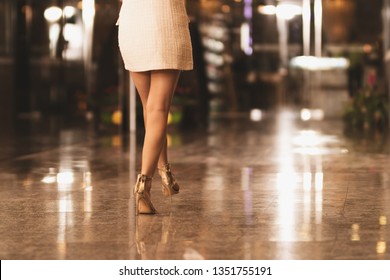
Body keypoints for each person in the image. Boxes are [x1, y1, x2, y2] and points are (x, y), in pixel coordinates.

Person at [117, 0, 193, 214]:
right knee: (158, 108)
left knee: (150, 107)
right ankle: (143, 184)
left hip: (132, 23)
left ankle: (165, 171)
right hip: (165, 20)